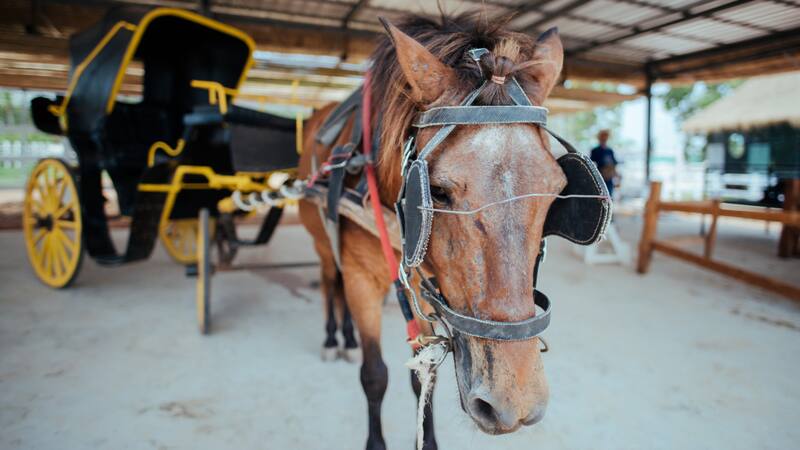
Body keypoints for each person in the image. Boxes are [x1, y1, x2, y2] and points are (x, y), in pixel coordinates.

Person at [590, 129, 618, 196]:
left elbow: (614, 164)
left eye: (606, 136)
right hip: (600, 177)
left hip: (609, 178)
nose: (604, 138)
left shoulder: (610, 150)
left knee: (609, 196)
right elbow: (592, 164)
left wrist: (615, 175)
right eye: (602, 136)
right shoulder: (595, 150)